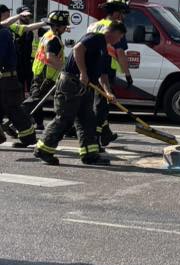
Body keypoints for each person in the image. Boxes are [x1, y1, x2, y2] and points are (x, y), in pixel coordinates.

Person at [33, 22, 125, 166]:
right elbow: (78, 49)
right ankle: (43, 149)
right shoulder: (95, 38)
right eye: (120, 37)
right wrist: (83, 73)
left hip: (84, 88)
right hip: (72, 83)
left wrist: (108, 93)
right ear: (113, 32)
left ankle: (90, 155)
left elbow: (103, 75)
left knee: (87, 121)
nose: (119, 40)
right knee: (65, 119)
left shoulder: (105, 51)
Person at [88, 0, 133, 149]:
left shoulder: (94, 25)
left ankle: (105, 133)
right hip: (105, 71)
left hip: (91, 70)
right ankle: (95, 139)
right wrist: (127, 75)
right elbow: (120, 54)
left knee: (98, 103)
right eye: (122, 13)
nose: (123, 17)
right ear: (116, 13)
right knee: (101, 106)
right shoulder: (116, 29)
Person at [27, 10, 69, 131]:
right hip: (46, 76)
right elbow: (50, 57)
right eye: (64, 26)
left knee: (37, 100)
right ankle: (17, 121)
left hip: (41, 73)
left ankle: (64, 126)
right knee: (35, 101)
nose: (65, 28)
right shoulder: (53, 39)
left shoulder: (48, 35)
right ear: (56, 27)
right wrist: (64, 69)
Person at [0, 22, 38, 150]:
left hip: (6, 80)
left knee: (14, 110)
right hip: (5, 79)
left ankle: (29, 138)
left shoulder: (2, 33)